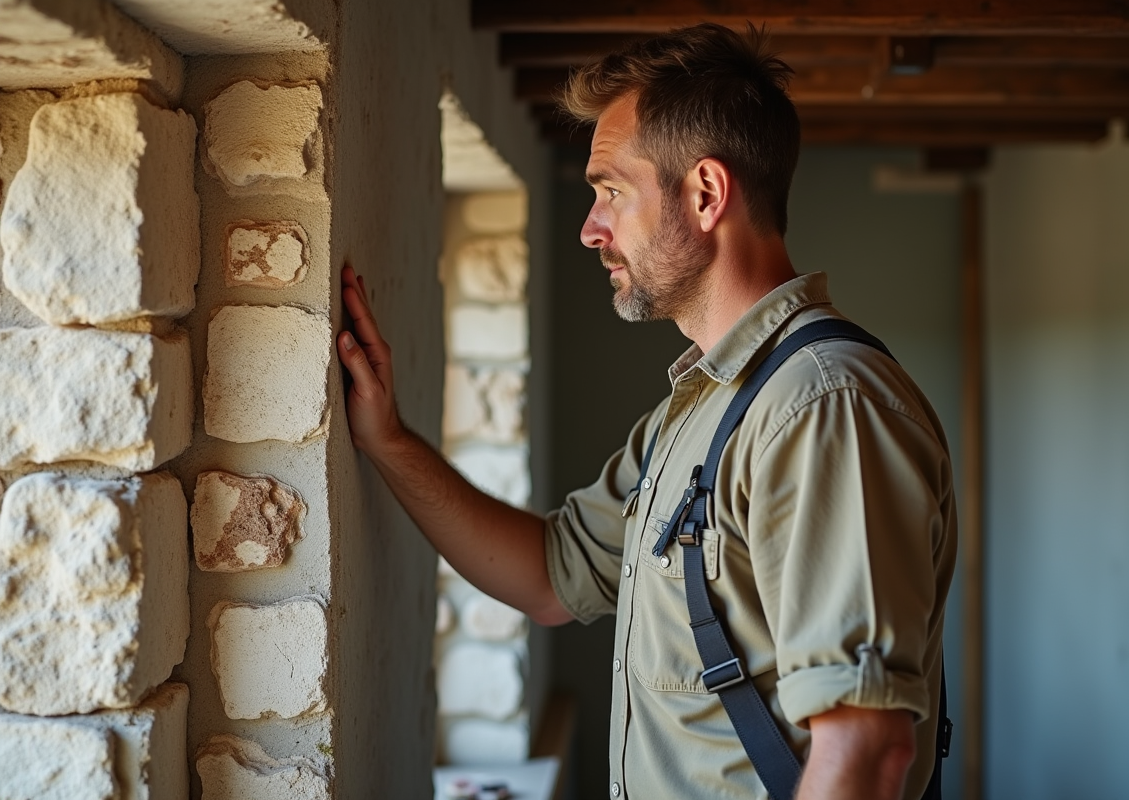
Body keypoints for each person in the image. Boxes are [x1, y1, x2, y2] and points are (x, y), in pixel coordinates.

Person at [338, 23, 956, 800]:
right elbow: (551, 579)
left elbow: (865, 751)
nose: (590, 227)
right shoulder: (699, 407)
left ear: (704, 194)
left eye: (611, 191)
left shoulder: (821, 407)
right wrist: (389, 442)